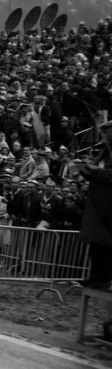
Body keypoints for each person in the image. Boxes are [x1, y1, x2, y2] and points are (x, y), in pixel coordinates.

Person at [79, 120, 112, 289]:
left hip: (108, 205)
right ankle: (95, 276)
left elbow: (108, 175)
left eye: (107, 132)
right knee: (95, 243)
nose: (104, 136)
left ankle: (104, 278)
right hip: (97, 202)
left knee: (105, 243)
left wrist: (93, 170)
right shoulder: (104, 152)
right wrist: (83, 169)